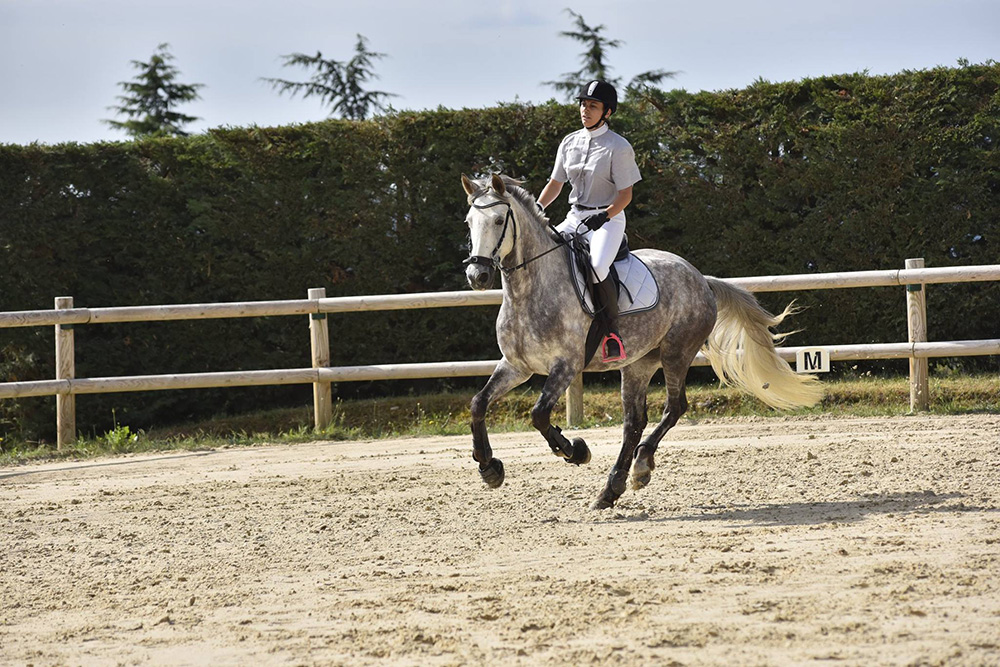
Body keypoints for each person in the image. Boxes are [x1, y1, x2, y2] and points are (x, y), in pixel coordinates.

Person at [536, 80, 642, 363]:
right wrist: (537, 208)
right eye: (583, 104)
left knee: (596, 266)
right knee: (545, 257)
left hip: (608, 219)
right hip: (575, 217)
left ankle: (611, 332)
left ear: (607, 112)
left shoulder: (618, 147)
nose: (585, 109)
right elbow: (555, 184)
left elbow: (626, 194)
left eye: (593, 105)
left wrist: (605, 214)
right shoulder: (569, 142)